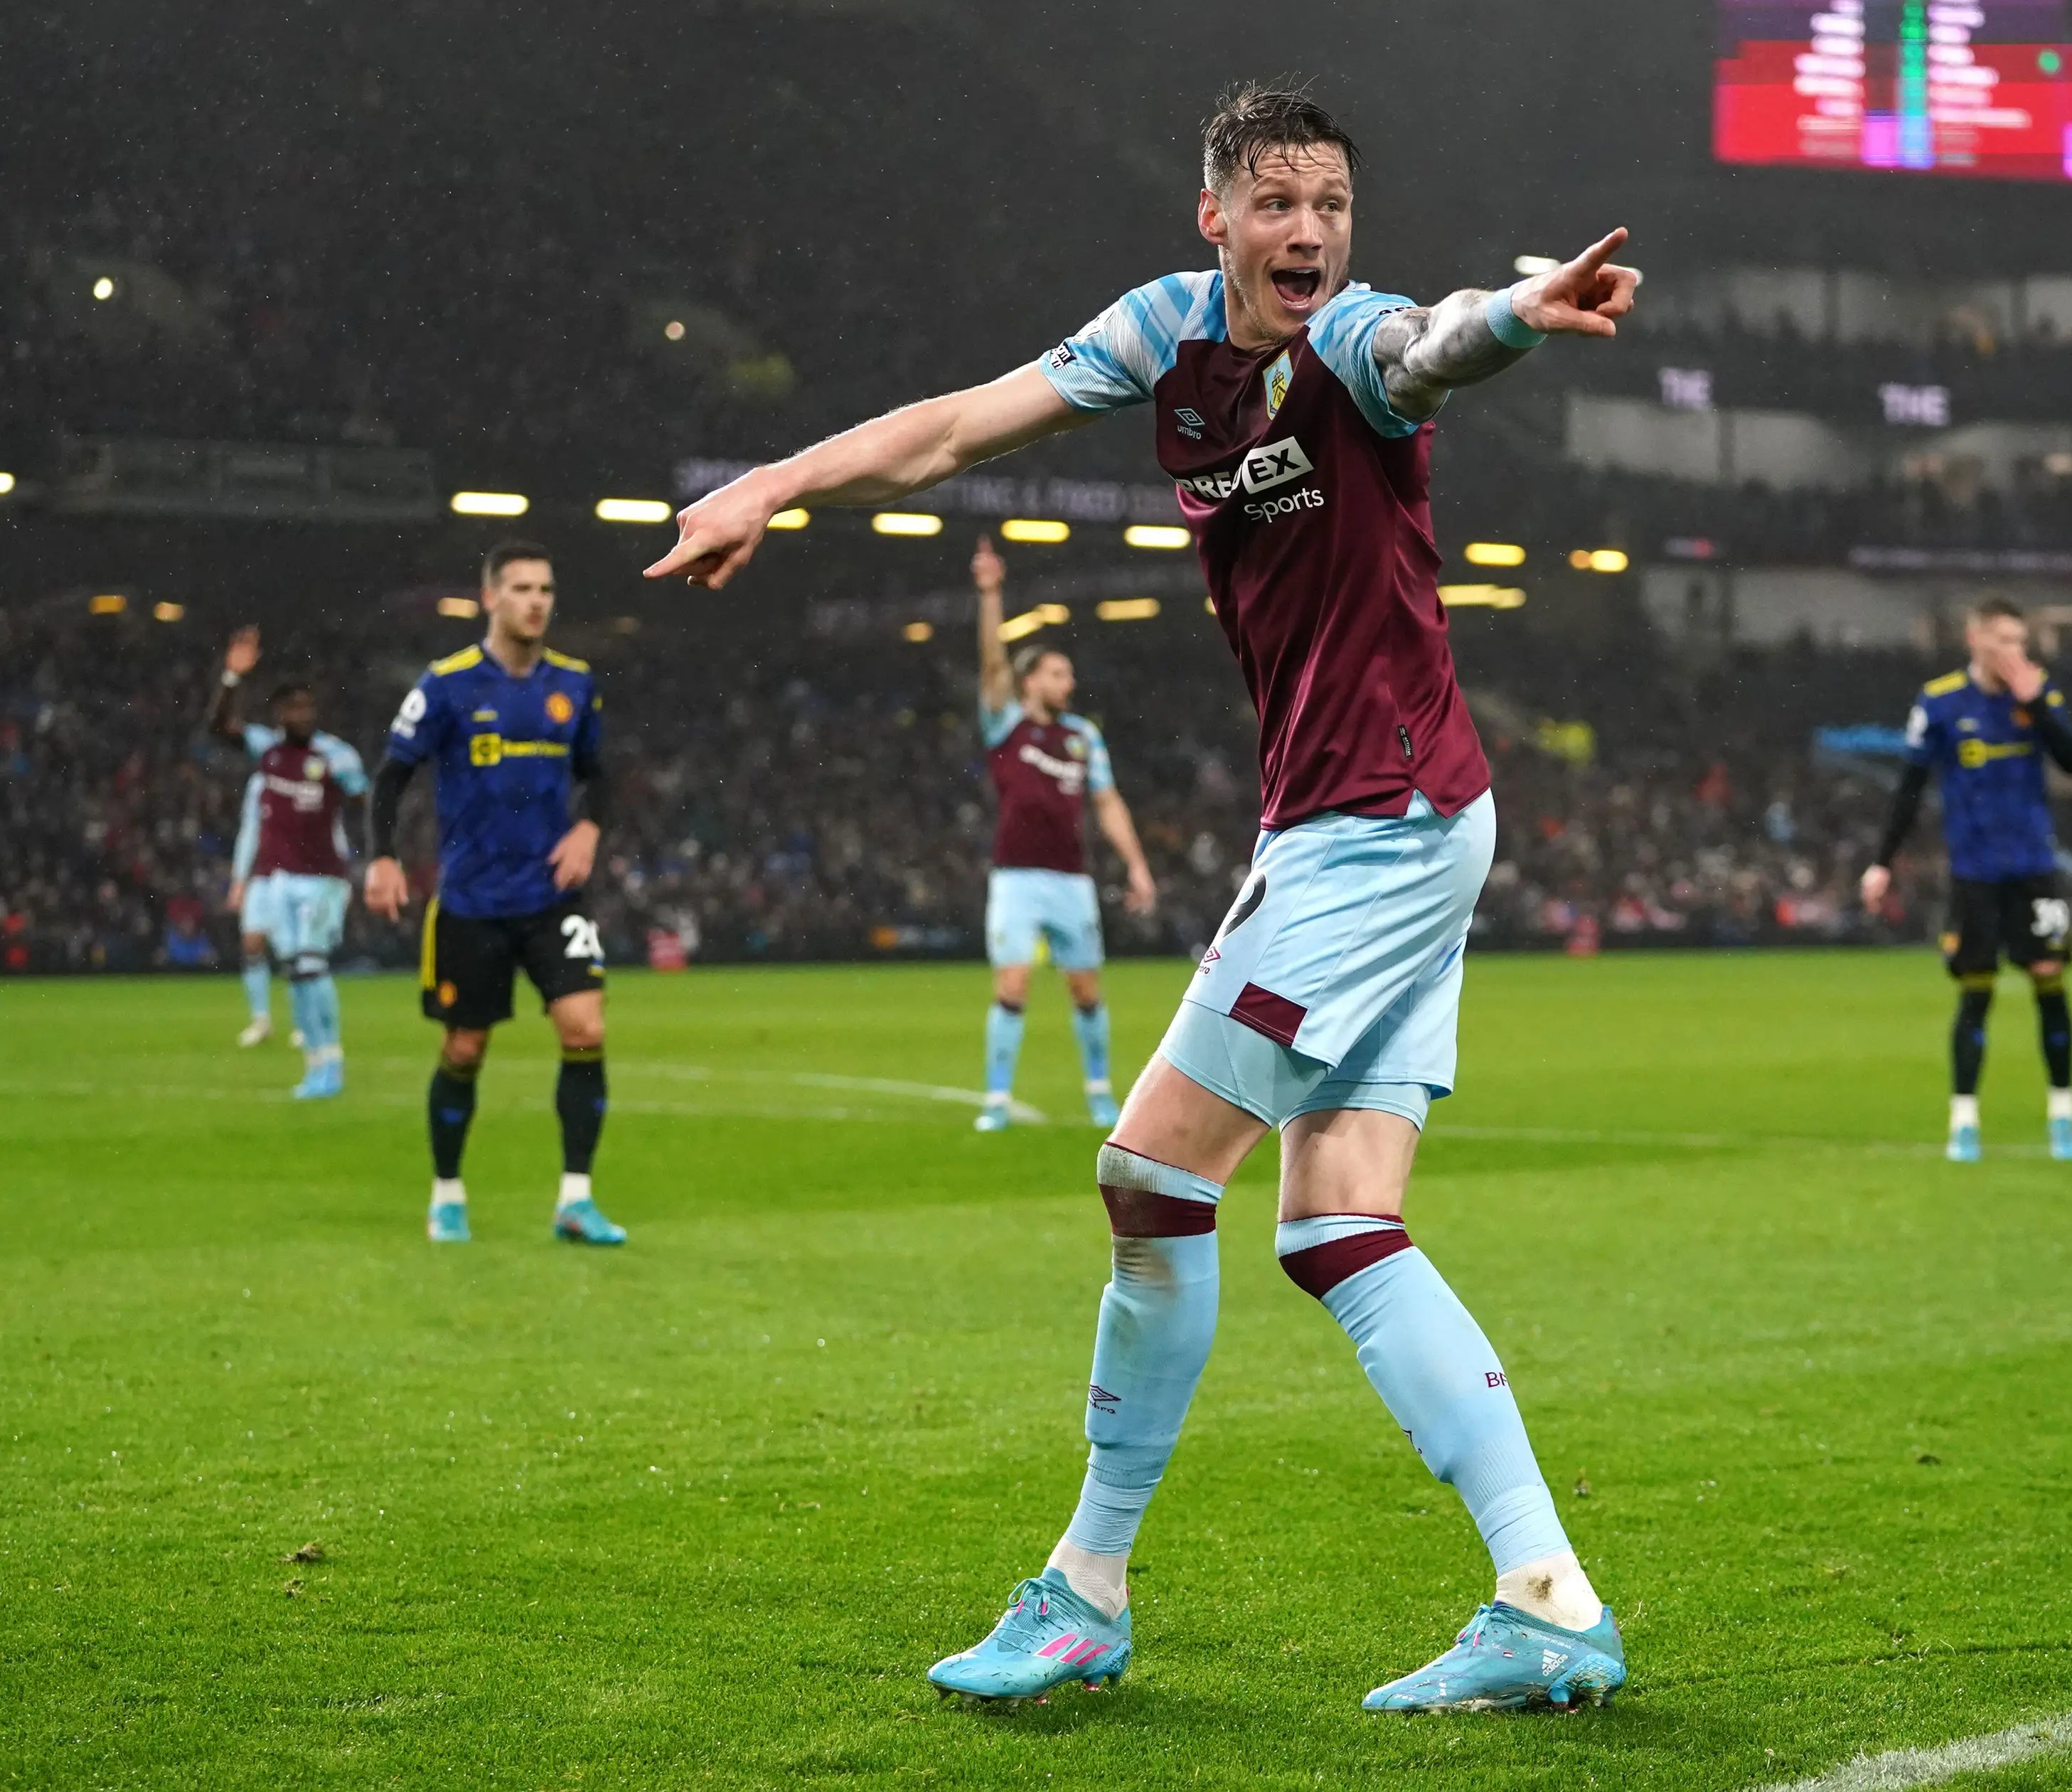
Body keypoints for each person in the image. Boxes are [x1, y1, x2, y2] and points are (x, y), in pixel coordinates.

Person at [648, 83, 1638, 1712]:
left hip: (1374, 820)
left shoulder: (1352, 347)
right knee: (1334, 1225)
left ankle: (1084, 1587)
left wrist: (1521, 314)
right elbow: (959, 425)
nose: (1304, 230)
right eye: (1271, 201)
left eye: (1326, 202)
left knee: (1147, 1172)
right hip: (1367, 815)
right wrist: (771, 482)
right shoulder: (1165, 337)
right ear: (1215, 216)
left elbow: (1429, 347)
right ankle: (1543, 1594)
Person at [363, 541, 624, 1245]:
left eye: (545, 588)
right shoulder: (447, 685)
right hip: (473, 902)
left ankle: (576, 1198)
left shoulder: (574, 682)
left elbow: (598, 772)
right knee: (465, 1049)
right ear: (491, 598)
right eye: (522, 588)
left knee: (586, 1029)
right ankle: (447, 1193)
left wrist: (591, 828)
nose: (537, 600)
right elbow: (392, 776)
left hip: (552, 897)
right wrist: (382, 858)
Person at [1861, 598, 2072, 1163]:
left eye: (2021, 641)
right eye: (2006, 640)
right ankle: (1963, 1121)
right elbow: (1910, 787)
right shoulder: (1939, 703)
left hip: (2034, 865)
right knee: (1975, 991)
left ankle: (2063, 1113)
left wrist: (2036, 707)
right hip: (1975, 871)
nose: (2017, 652)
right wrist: (1882, 860)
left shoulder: (2038, 693)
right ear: (1976, 640)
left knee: (2048, 977)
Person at [968, 535, 1160, 1131]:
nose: (1068, 682)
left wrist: (1136, 866)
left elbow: (1107, 802)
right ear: (1031, 682)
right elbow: (993, 662)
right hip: (1017, 876)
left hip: (1071, 878)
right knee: (1014, 982)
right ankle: (996, 1101)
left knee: (1084, 989)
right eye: (1058, 673)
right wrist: (991, 594)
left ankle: (1101, 1092)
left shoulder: (1083, 736)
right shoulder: (1006, 724)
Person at [208, 629, 368, 1097]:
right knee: (297, 971)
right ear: (277, 713)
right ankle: (315, 1063)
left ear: (313, 711)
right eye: (287, 707)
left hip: (322, 880)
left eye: (303, 706)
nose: (296, 713)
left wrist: (375, 861)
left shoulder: (336, 756)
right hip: (278, 880)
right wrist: (232, 678)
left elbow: (368, 806)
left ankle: (331, 1063)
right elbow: (218, 726)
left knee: (311, 964)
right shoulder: (268, 750)